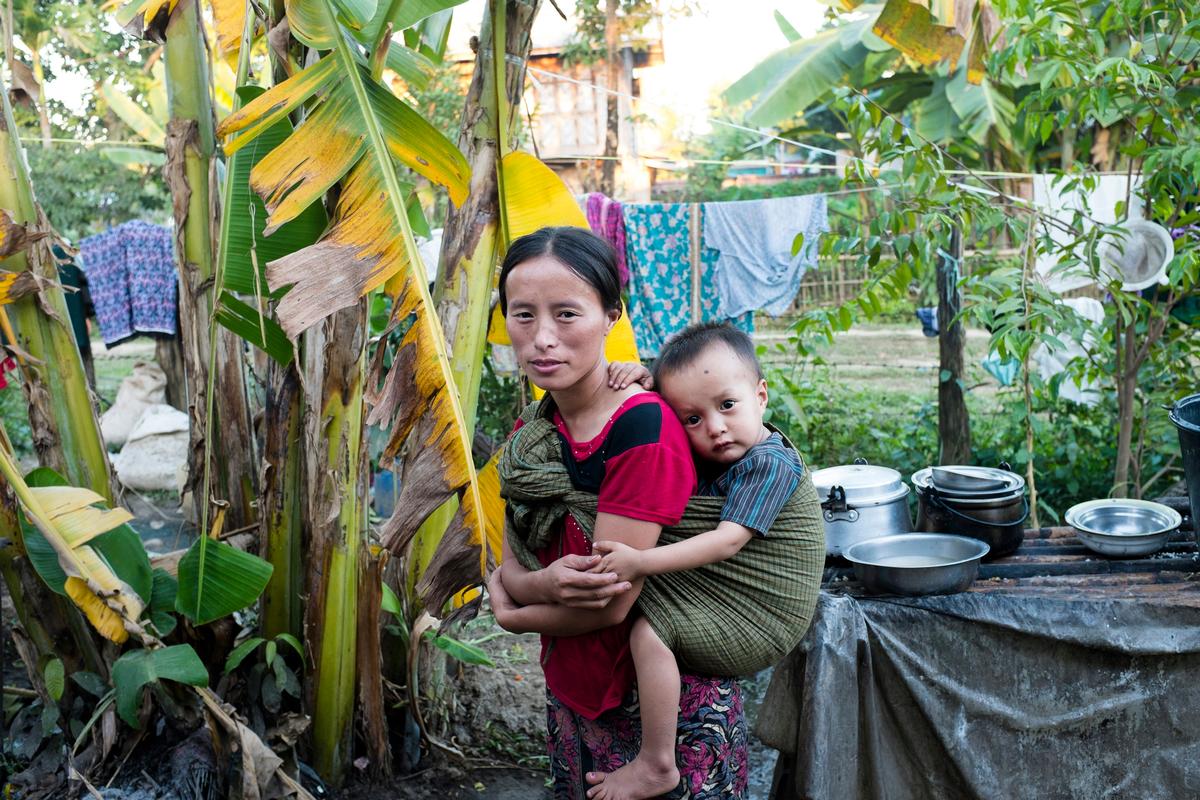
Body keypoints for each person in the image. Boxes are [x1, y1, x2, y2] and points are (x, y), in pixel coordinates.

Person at [487, 227, 750, 799]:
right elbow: (511, 562)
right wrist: (537, 582)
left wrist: (513, 611)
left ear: (611, 316)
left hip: (661, 709)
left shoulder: (641, 429)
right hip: (574, 690)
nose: (543, 340)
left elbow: (610, 603)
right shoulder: (535, 431)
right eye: (523, 315)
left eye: (566, 314)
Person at [589, 323, 806, 800]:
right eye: (691, 419)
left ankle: (657, 763)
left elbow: (727, 542)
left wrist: (641, 560)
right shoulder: (719, 454)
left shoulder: (767, 463)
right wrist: (645, 381)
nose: (715, 428)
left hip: (757, 616)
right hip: (714, 598)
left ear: (761, 395)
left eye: (727, 405)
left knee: (650, 629)